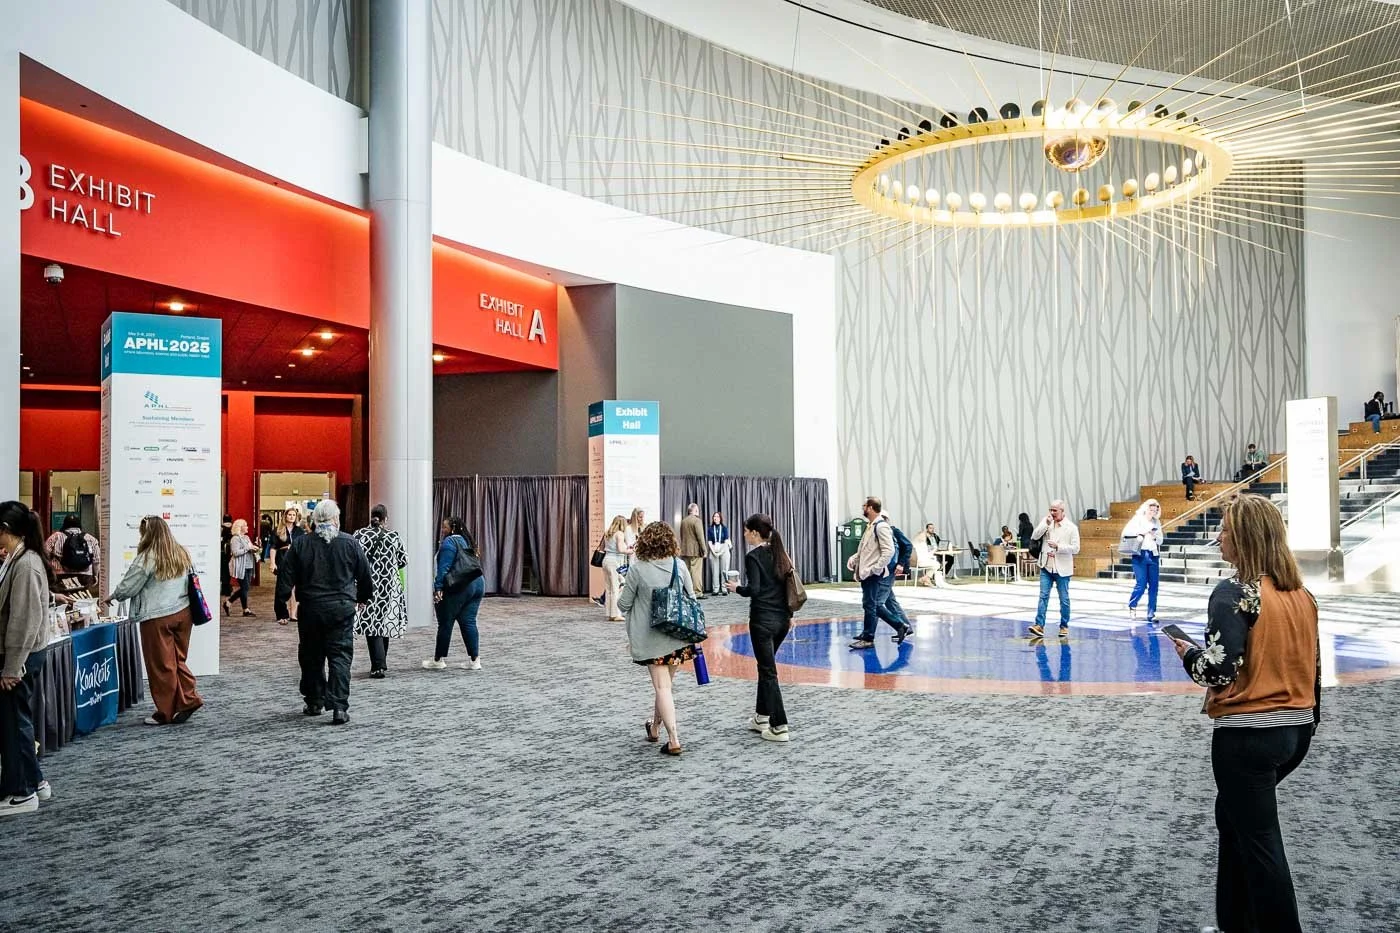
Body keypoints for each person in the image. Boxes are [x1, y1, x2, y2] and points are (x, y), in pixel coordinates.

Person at [1167, 494, 1320, 933]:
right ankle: (1234, 923)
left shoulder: (1234, 594)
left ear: (1245, 538)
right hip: (1295, 731)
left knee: (1260, 842)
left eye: (1226, 530)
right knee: (1232, 820)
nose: (1218, 538)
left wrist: (1188, 652)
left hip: (1246, 735)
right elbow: (1314, 669)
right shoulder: (1302, 596)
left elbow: (1216, 671)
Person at [100, 516, 203, 726]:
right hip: (184, 613)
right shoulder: (180, 552)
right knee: (177, 660)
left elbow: (131, 584)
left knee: (160, 665)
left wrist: (114, 596)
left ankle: (165, 712)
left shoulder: (147, 557)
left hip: (157, 616)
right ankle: (188, 698)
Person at [276, 500, 372, 725]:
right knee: (340, 656)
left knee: (311, 656)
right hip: (342, 610)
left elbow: (285, 576)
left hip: (311, 610)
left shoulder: (301, 544)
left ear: (314, 521)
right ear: (336, 520)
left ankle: (314, 701)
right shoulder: (350, 543)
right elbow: (365, 575)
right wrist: (363, 598)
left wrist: (281, 607)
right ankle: (339, 707)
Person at [618, 521, 698, 756]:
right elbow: (691, 598)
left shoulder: (638, 568)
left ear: (645, 542)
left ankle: (674, 739)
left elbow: (623, 604)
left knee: (662, 688)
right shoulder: (679, 565)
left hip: (651, 639)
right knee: (665, 687)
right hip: (677, 636)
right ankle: (654, 729)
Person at [0, 502, 53, 816]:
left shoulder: (27, 564)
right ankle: (35, 781)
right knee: (17, 721)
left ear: (6, 531)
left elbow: (24, 619)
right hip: (20, 656)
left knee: (15, 723)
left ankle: (22, 794)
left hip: (20, 657)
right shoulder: (18, 560)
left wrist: (11, 667)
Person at [728, 514, 794, 743]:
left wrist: (737, 588)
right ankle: (761, 716)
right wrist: (790, 616)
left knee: (768, 672)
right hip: (782, 621)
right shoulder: (781, 554)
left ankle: (779, 726)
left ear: (755, 533)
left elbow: (754, 590)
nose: (744, 534)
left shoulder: (753, 557)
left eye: (746, 531)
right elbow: (788, 588)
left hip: (762, 622)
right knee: (765, 668)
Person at [847, 497, 912, 649]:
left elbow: (888, 551)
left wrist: (876, 568)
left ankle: (877, 634)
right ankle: (871, 633)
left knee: (874, 605)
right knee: (870, 604)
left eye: (864, 505)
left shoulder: (881, 527)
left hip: (873, 573)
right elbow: (865, 549)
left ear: (870, 508)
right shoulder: (870, 526)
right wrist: (855, 558)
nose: (862, 508)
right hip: (867, 572)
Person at [353, 504, 407, 679]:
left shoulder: (359, 535)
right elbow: (403, 561)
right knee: (383, 622)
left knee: (372, 624)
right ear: (386, 519)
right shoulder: (393, 536)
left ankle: (378, 664)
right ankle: (380, 662)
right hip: (389, 586)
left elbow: (353, 559)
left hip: (366, 584)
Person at [425, 517, 485, 671]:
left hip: (460, 586)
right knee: (469, 621)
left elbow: (443, 568)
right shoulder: (466, 541)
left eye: (444, 527)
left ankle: (438, 660)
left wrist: (438, 588)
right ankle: (475, 660)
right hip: (477, 583)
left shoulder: (449, 542)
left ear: (452, 528)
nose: (442, 530)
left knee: (445, 622)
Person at [1028, 500, 1079, 638]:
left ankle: (1064, 626)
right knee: (1043, 596)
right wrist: (1045, 524)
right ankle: (1039, 625)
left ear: (1062, 511)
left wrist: (1058, 547)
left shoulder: (1071, 528)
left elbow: (1076, 548)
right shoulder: (1047, 523)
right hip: (1046, 566)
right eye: (1050, 509)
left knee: (1064, 599)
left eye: (1055, 510)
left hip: (1062, 569)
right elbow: (1034, 536)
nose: (1052, 513)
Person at [1123, 499, 1163, 623]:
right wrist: (1142, 533)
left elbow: (1161, 540)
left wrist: (1155, 536)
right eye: (1151, 510)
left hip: (1153, 555)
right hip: (1140, 554)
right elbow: (1125, 533)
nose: (1153, 512)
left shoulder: (1157, 522)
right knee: (1141, 584)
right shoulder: (1137, 519)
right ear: (1145, 508)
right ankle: (1132, 604)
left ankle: (1151, 613)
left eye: (1155, 510)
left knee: (1154, 585)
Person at [271, 507, 305, 625]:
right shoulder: (278, 530)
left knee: (296, 588)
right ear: (285, 516)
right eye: (289, 515)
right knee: (283, 588)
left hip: (296, 562)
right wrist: (272, 563)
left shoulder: (299, 531)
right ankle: (281, 614)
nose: (291, 517)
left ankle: (293, 614)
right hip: (282, 560)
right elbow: (273, 547)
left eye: (293, 515)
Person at [44, 514, 99, 584]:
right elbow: (96, 560)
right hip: (85, 576)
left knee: (63, 594)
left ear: (64, 524)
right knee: (84, 594)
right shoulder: (91, 539)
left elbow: (44, 554)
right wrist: (95, 575)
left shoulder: (56, 537)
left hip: (61, 576)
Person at [223, 519, 258, 618]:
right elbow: (235, 552)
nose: (247, 527)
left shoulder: (246, 537)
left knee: (245, 588)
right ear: (240, 527)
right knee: (245, 588)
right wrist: (248, 548)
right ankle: (233, 604)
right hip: (240, 566)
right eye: (245, 525)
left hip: (249, 565)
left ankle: (243, 608)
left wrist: (256, 549)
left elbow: (250, 548)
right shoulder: (235, 539)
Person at [599, 515, 632, 622]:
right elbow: (621, 549)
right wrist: (631, 551)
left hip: (606, 561)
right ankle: (616, 614)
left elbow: (603, 548)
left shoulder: (608, 532)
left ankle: (610, 613)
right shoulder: (620, 534)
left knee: (609, 589)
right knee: (616, 588)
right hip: (615, 562)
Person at [678, 503, 707, 600]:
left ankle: (688, 592)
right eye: (697, 509)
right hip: (695, 551)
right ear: (695, 510)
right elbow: (700, 537)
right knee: (696, 572)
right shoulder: (697, 521)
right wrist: (704, 550)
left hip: (685, 550)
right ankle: (697, 592)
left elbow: (682, 536)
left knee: (688, 572)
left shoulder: (683, 521)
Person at [706, 511, 732, 596]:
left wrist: (721, 552)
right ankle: (716, 589)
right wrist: (714, 552)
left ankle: (724, 589)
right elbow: (709, 542)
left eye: (717, 516)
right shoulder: (710, 529)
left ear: (720, 518)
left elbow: (726, 541)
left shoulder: (724, 528)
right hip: (714, 549)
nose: (715, 518)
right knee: (715, 570)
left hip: (724, 549)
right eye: (714, 516)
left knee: (724, 570)